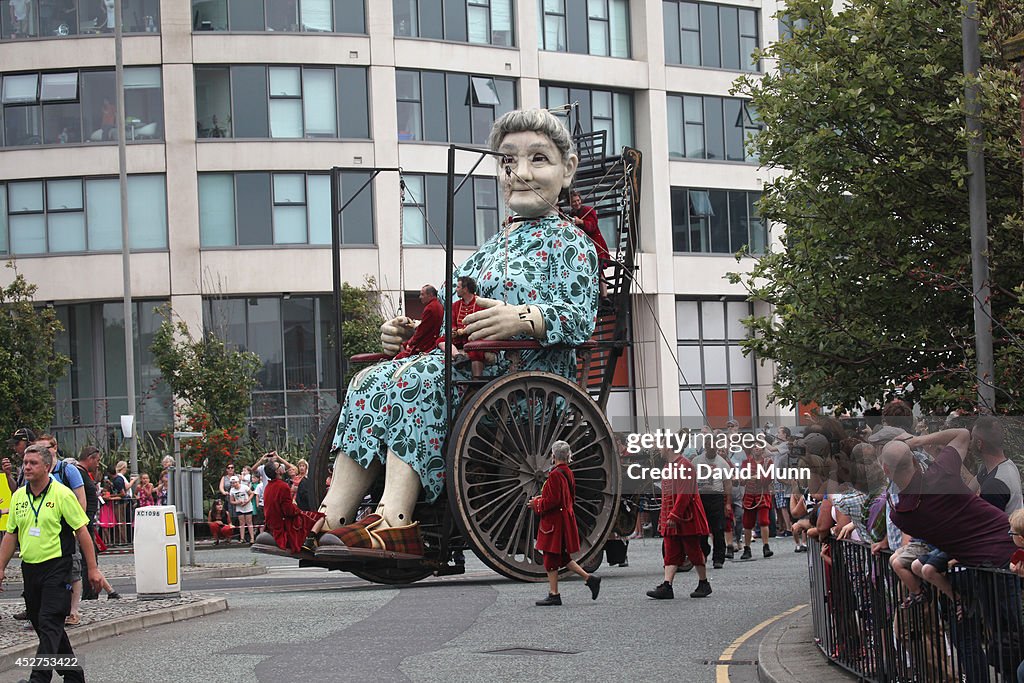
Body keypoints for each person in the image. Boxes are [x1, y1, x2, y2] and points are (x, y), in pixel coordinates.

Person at [318, 108, 598, 555]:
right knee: (369, 381)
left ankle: (396, 519)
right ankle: (331, 516)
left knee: (419, 381)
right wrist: (410, 329)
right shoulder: (492, 247)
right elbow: (445, 309)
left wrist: (523, 318)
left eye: (538, 159)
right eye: (508, 161)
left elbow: (581, 315)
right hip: (469, 373)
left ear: (567, 171)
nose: (520, 173)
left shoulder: (573, 244)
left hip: (525, 384)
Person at [0, 445, 105, 683]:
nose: (27, 467)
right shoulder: (18, 497)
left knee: (50, 620)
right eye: (25, 462)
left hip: (57, 567)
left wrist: (93, 569)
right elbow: (11, 534)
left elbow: (82, 531)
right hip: (30, 568)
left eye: (33, 463)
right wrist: (0, 567)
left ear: (47, 467)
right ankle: (73, 674)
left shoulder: (62, 494)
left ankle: (39, 678)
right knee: (44, 624)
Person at [528, 441, 600, 606]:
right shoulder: (568, 473)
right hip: (564, 519)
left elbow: (554, 500)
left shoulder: (554, 474)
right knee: (563, 557)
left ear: (553, 456)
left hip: (554, 522)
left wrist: (537, 504)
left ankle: (554, 594)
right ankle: (590, 579)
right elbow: (566, 498)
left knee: (550, 558)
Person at [647, 445, 712, 599]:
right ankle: (667, 586)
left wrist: (674, 515)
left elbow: (684, 495)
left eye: (661, 446)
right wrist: (664, 518)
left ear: (669, 447)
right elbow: (667, 495)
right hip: (671, 516)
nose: (659, 450)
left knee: (693, 550)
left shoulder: (686, 466)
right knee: (670, 551)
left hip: (685, 516)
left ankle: (704, 583)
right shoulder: (668, 466)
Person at [259, 461, 326, 554]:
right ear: (277, 471)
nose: (282, 466)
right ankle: (310, 541)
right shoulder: (283, 486)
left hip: (273, 523)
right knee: (321, 517)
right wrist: (296, 507)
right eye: (279, 465)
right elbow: (289, 511)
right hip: (284, 523)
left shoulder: (268, 487)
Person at [690, 437, 731, 569]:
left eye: (714, 445)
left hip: (716, 497)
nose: (712, 447)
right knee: (701, 530)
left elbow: (727, 483)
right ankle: (703, 553)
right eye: (709, 445)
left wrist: (727, 503)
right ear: (705, 446)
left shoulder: (722, 462)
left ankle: (718, 558)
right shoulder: (696, 461)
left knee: (718, 529)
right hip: (700, 498)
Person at [972, 416, 1023, 515]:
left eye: (972, 438)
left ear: (979, 444)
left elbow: (986, 526)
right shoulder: (1006, 465)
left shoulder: (994, 485)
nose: (970, 442)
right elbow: (968, 488)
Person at [436, 276, 485, 377]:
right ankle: (458, 356)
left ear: (465, 289)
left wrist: (466, 331)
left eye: (458, 287)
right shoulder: (455, 305)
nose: (456, 290)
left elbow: (482, 323)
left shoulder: (480, 303)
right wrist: (454, 331)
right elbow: (452, 323)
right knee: (441, 340)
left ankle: (476, 380)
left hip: (475, 337)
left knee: (476, 349)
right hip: (459, 338)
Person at [568, 190, 609, 300]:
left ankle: (604, 295)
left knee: (599, 271)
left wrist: (581, 222)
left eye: (578, 200)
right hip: (583, 248)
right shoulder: (572, 215)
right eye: (574, 202)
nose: (577, 203)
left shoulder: (588, 210)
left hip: (595, 246)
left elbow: (592, 226)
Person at [740, 442, 774, 559]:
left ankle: (766, 546)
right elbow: (742, 479)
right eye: (754, 446)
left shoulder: (768, 462)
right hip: (749, 495)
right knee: (747, 523)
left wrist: (759, 478)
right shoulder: (746, 463)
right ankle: (747, 548)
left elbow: (769, 478)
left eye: (758, 446)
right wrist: (742, 479)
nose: (756, 448)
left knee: (764, 521)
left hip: (762, 494)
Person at [393, 285, 443, 359]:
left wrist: (410, 342)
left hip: (426, 345)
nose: (420, 297)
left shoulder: (430, 308)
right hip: (432, 341)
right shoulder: (438, 305)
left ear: (430, 295)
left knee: (397, 359)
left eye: (422, 294)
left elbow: (422, 330)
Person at [228, 475, 256, 544]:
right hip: (239, 508)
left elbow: (252, 494)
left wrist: (247, 501)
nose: (234, 484)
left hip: (248, 507)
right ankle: (242, 538)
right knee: (241, 523)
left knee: (249, 522)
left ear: (238, 482)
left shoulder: (244, 487)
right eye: (232, 483)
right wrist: (237, 502)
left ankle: (252, 538)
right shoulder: (232, 490)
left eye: (235, 482)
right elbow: (231, 501)